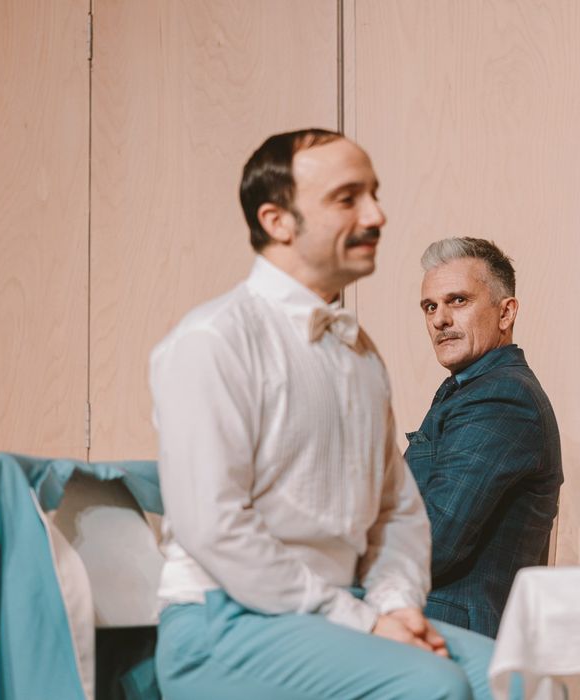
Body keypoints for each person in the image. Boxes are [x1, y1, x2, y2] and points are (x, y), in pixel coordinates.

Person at [150, 129, 495, 699]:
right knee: (432, 687)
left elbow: (397, 511)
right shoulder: (212, 339)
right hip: (224, 617)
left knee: (519, 679)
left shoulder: (359, 354)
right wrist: (363, 622)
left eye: (373, 194)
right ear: (277, 220)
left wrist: (396, 606)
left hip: (340, 609)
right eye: (347, 198)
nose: (376, 215)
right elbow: (215, 526)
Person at [407, 237, 562, 637]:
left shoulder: (501, 396)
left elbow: (433, 541)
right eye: (430, 306)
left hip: (454, 636)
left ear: (505, 312)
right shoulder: (469, 389)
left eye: (457, 300)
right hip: (425, 625)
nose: (440, 319)